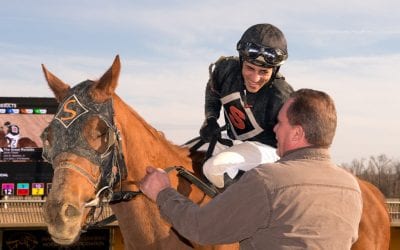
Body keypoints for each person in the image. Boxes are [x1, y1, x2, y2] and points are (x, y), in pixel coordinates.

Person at [140, 88, 363, 249]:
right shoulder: (351, 188)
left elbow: (200, 228)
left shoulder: (268, 180)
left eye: (281, 122)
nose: (275, 129)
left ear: (297, 133)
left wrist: (163, 193)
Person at [199, 23, 294, 188]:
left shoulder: (282, 96)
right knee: (186, 152)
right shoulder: (225, 69)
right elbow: (213, 92)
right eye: (250, 68)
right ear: (241, 60)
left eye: (264, 72)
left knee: (214, 168)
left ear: (275, 70)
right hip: (235, 141)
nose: (255, 78)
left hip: (270, 152)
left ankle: (244, 210)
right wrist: (211, 119)